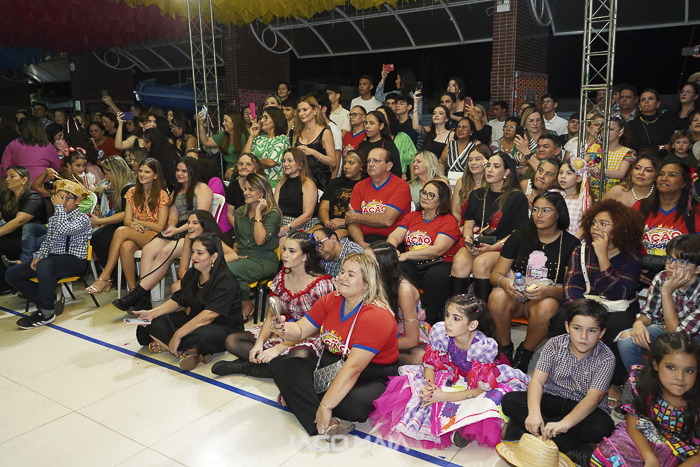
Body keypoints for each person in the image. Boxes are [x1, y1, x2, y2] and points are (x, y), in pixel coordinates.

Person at [370, 295, 529, 449]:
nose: (448, 322)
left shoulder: (481, 348)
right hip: (454, 374)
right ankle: (454, 429)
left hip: (480, 384)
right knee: (417, 390)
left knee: (486, 401)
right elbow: (431, 364)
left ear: (472, 325)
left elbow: (478, 390)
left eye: (456, 318)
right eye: (447, 315)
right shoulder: (442, 334)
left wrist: (442, 396)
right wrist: (430, 386)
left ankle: (488, 429)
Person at [269, 253, 399, 441]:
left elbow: (354, 368)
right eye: (342, 271)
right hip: (333, 363)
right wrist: (282, 329)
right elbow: (299, 330)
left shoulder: (376, 315)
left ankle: (306, 401)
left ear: (367, 283)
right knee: (281, 365)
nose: (342, 277)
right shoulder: (331, 300)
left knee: (352, 405)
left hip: (370, 373)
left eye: (351, 274)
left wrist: (326, 406)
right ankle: (327, 424)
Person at [549, 199, 645, 402]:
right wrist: (584, 313)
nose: (596, 228)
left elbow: (619, 293)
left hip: (618, 307)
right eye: (593, 223)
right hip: (586, 304)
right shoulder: (581, 250)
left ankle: (613, 383)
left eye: (603, 224)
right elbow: (571, 288)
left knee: (618, 326)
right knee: (560, 318)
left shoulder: (632, 256)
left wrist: (602, 257)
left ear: (620, 228)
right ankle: (566, 373)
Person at [501, 300, 616, 465]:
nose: (583, 336)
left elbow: (593, 398)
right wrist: (534, 413)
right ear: (567, 326)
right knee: (510, 401)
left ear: (601, 332)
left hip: (583, 408)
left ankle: (530, 432)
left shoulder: (606, 357)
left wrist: (565, 424)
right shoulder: (554, 344)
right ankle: (568, 447)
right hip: (552, 399)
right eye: (577, 328)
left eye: (591, 330)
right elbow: (537, 381)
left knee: (604, 426)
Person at [211, 232, 334, 378]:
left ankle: (245, 367)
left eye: (292, 251)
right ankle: (269, 364)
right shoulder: (281, 277)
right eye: (284, 249)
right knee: (232, 341)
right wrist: (259, 343)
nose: (285, 255)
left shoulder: (321, 285)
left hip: (308, 336)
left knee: (299, 356)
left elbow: (315, 329)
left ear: (305, 256)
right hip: (283, 329)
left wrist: (278, 349)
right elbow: (272, 315)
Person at [488, 191, 580, 372]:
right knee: (497, 294)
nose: (539, 215)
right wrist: (506, 283)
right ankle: (505, 350)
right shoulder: (520, 235)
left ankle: (524, 353)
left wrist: (547, 291)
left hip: (544, 299)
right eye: (535, 209)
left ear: (558, 213)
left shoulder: (571, 244)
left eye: (546, 210)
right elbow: (495, 275)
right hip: (515, 295)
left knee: (547, 305)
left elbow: (572, 289)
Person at [133, 233, 244, 371]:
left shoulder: (226, 279)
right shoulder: (193, 273)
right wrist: (152, 313)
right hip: (194, 320)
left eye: (200, 253)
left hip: (221, 327)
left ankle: (177, 347)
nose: (194, 257)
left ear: (214, 256)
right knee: (148, 323)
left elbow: (209, 315)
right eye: (193, 252)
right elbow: (178, 300)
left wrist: (178, 334)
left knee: (202, 336)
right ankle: (191, 353)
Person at [115, 158, 213, 308]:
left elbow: (201, 218)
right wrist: (171, 227)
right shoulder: (176, 191)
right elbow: (173, 216)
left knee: (165, 251)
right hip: (177, 231)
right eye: (178, 170)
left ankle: (138, 294)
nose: (179, 174)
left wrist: (178, 230)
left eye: (184, 171)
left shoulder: (202, 188)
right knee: (148, 249)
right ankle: (144, 298)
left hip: (196, 233)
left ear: (192, 172)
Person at [591, 333, 700, 467]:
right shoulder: (639, 383)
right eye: (671, 367)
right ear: (655, 364)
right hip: (651, 438)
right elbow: (633, 425)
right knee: (611, 455)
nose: (680, 377)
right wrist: (650, 458)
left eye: (689, 371)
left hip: (689, 453)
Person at [8, 180, 91, 329]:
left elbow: (66, 229)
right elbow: (48, 241)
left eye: (66, 198)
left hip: (75, 261)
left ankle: (46, 312)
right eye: (59, 198)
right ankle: (50, 298)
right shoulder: (54, 219)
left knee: (46, 264)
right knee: (12, 274)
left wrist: (58, 208)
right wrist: (39, 256)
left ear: (77, 201)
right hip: (53, 261)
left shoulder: (83, 218)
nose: (62, 202)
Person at [450, 152, 529, 300]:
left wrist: (493, 247)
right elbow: (468, 224)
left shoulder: (517, 197)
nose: (489, 170)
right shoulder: (477, 194)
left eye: (496, 166)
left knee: (481, 263)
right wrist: (468, 240)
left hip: (503, 247)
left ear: (506, 172)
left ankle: (483, 310)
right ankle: (457, 308)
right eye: (488, 165)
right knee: (460, 261)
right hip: (478, 244)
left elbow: (518, 233)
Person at [616, 234, 700, 373]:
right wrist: (639, 323)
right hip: (667, 329)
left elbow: (678, 339)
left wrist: (666, 292)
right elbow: (650, 313)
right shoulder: (661, 277)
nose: (671, 266)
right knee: (626, 339)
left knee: (677, 350)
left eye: (681, 262)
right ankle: (643, 383)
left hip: (693, 337)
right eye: (669, 259)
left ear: (697, 269)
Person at [85, 158, 170, 294]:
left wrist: (137, 222)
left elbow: (160, 226)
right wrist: (134, 224)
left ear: (155, 175)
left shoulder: (162, 194)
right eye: (140, 171)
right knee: (125, 247)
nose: (142, 174)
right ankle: (133, 291)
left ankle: (105, 276)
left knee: (121, 231)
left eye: (147, 172)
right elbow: (127, 220)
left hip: (157, 236)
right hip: (138, 232)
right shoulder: (132, 192)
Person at [388, 180, 460, 324]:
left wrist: (406, 255)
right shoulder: (412, 216)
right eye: (424, 192)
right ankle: (396, 316)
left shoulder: (448, 220)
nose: (425, 197)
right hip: (412, 262)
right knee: (393, 269)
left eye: (431, 195)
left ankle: (431, 320)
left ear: (442, 200)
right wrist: (392, 249)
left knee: (435, 277)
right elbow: (394, 236)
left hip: (438, 262)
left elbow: (438, 249)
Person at [634, 161, 700, 284]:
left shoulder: (694, 212)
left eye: (672, 175)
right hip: (642, 275)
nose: (664, 178)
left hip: (682, 280)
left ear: (684, 183)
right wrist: (631, 269)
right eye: (661, 174)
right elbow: (624, 243)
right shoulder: (640, 207)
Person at [228, 173, 283, 320]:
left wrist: (258, 212)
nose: (246, 193)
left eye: (251, 190)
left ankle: (245, 304)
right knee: (217, 266)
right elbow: (238, 239)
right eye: (245, 189)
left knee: (225, 269)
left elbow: (260, 240)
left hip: (264, 259)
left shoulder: (273, 213)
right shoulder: (240, 212)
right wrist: (233, 255)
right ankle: (235, 305)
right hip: (242, 256)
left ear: (262, 193)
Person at [366, 241, 430, 365]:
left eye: (368, 261)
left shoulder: (404, 290)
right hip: (381, 334)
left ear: (383, 265)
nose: (363, 264)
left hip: (405, 335)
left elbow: (411, 340)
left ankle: (383, 359)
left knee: (419, 358)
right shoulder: (367, 281)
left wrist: (376, 348)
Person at [345, 147, 412, 248]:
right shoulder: (359, 186)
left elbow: (387, 220)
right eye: (369, 161)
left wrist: (356, 217)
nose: (371, 164)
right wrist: (361, 243)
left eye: (376, 161)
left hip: (390, 240)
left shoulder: (401, 186)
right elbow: (351, 222)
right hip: (361, 239)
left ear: (388, 166)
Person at [0, 166, 47, 294]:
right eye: (7, 176)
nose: (7, 179)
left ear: (24, 180)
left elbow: (19, 221)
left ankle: (6, 285)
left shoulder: (33, 197)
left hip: (32, 238)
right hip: (15, 235)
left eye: (12, 176)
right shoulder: (6, 197)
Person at [89, 156, 135, 285]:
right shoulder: (122, 186)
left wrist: (100, 221)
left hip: (130, 224)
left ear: (115, 172)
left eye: (107, 173)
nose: (105, 177)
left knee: (102, 240)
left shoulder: (128, 188)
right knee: (97, 237)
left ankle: (118, 277)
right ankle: (114, 276)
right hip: (123, 223)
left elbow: (125, 214)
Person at [314, 149, 367, 240]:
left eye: (351, 163)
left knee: (326, 241)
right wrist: (328, 223)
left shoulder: (367, 185)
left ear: (361, 165)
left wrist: (344, 221)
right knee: (305, 239)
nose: (346, 166)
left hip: (351, 225)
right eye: (345, 163)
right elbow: (323, 208)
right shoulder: (335, 183)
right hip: (329, 223)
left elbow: (366, 214)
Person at [292, 95, 337, 191]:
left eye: (305, 110)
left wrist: (313, 152)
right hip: (301, 179)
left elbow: (333, 162)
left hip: (320, 180)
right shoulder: (297, 132)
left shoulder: (325, 132)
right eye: (299, 111)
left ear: (315, 110)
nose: (301, 114)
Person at [240, 107, 290, 188]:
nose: (262, 120)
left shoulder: (282, 139)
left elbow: (271, 162)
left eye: (266, 118)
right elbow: (243, 157)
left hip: (272, 184)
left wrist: (250, 164)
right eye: (262, 117)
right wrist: (252, 136)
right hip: (255, 183)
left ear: (276, 119)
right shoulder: (260, 138)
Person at [1, 116, 60, 183]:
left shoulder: (13, 145)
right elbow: (57, 167)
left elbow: (6, 168)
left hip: (21, 182)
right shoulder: (47, 145)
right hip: (42, 182)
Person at [275, 148, 320, 236]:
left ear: (300, 164)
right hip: (282, 223)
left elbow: (307, 215)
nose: (285, 164)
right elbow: (276, 209)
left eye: (290, 161)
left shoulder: (308, 184)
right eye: (284, 161)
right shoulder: (281, 183)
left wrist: (286, 228)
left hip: (303, 225)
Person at [357, 110, 402, 178]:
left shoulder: (388, 146)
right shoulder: (362, 145)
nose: (367, 126)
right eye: (366, 123)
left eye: (372, 123)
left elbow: (397, 171)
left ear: (381, 126)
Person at [224, 153, 262, 231]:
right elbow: (230, 214)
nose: (244, 167)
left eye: (248, 164)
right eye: (241, 164)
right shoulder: (233, 186)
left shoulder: (262, 186)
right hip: (239, 227)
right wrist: (240, 231)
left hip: (259, 226)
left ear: (255, 168)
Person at [452, 144, 489, 222]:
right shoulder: (461, 182)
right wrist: (456, 228)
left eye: (477, 159)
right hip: (463, 226)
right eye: (470, 160)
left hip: (485, 226)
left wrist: (488, 167)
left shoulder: (494, 183)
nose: (473, 163)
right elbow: (456, 212)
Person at [377, 105, 416, 175]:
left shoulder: (402, 137)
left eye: (382, 116)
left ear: (389, 118)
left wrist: (413, 181)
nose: (379, 119)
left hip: (399, 177)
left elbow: (412, 161)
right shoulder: (372, 139)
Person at [440, 117, 479, 186]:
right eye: (458, 127)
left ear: (471, 131)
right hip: (449, 184)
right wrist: (443, 179)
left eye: (464, 127)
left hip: (469, 184)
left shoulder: (476, 145)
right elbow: (441, 162)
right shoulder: (450, 145)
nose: (460, 129)